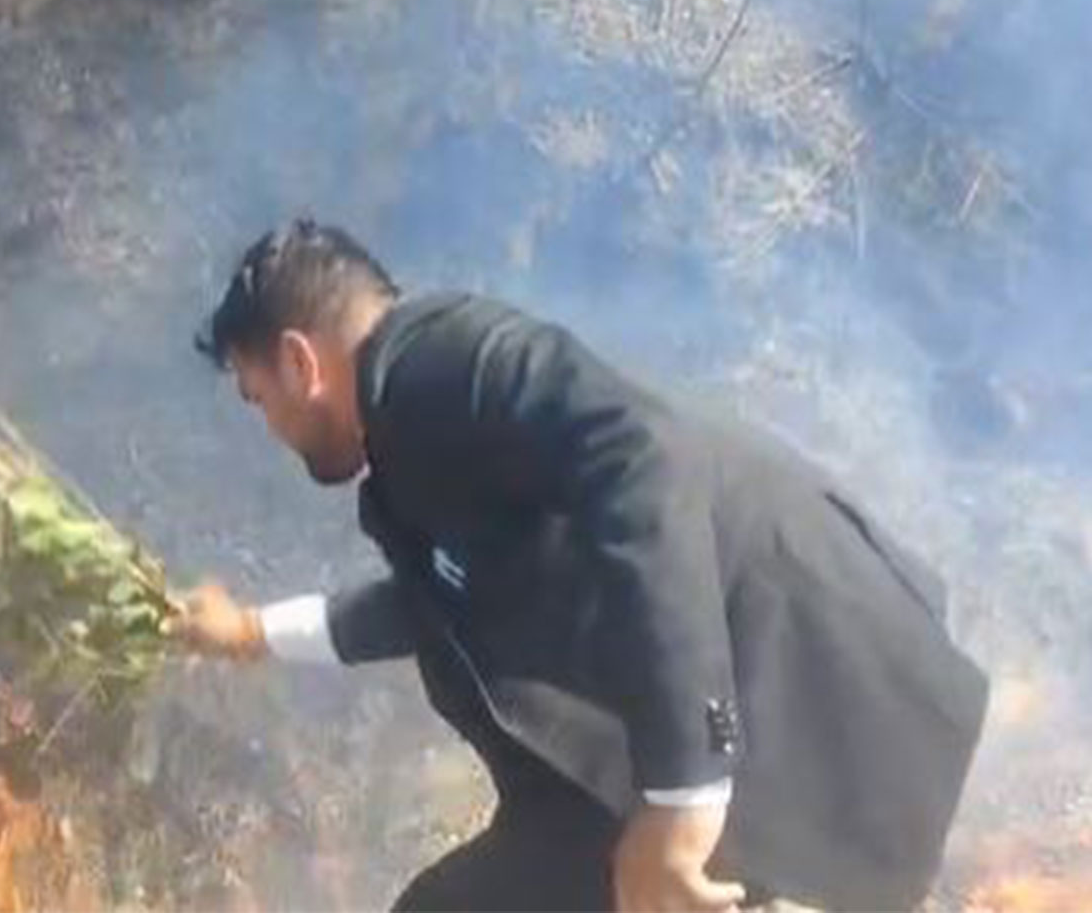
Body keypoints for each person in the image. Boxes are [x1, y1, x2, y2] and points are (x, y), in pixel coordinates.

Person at [178, 220, 988, 913]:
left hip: (798, 705)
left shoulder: (447, 361)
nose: (273, 428)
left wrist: (683, 796)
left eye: (259, 399)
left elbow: (642, 461)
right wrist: (252, 631)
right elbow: (432, 602)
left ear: (298, 362)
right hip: (647, 774)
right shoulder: (416, 435)